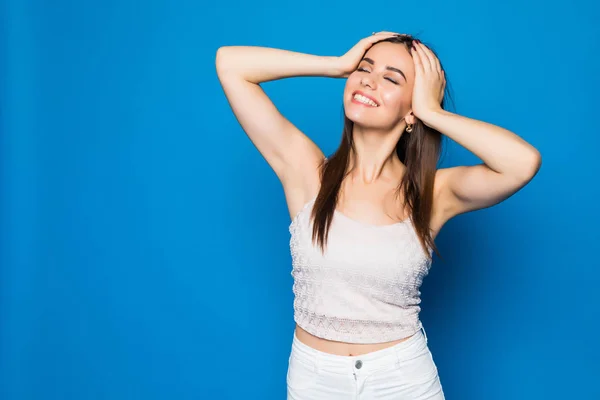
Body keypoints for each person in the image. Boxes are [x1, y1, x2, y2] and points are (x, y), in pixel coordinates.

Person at [215, 31, 541, 399]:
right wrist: (335, 64)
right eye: (364, 68)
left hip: (402, 379)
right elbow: (230, 64)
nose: (369, 80)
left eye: (391, 78)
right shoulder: (307, 172)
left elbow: (522, 163)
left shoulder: (433, 193)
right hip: (314, 380)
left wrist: (433, 113)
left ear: (411, 110)